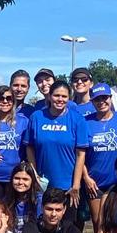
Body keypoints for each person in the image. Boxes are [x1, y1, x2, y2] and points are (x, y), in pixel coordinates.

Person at [25, 80, 88, 210]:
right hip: (43, 185)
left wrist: (76, 185)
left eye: (64, 96)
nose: (60, 99)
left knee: (67, 227)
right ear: (50, 96)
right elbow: (29, 147)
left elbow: (81, 154)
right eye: (56, 95)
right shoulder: (37, 117)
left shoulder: (77, 119)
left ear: (69, 98)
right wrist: (35, 175)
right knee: (42, 224)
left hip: (68, 186)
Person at [83, 82, 117, 233]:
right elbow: (79, 153)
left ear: (110, 98)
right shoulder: (85, 122)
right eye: (97, 99)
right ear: (92, 102)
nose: (101, 102)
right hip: (94, 182)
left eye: (105, 98)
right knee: (99, 224)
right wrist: (86, 178)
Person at [3, 162, 43, 233]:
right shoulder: (6, 200)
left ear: (32, 181)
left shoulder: (38, 200)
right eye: (17, 178)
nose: (20, 182)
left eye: (25, 179)